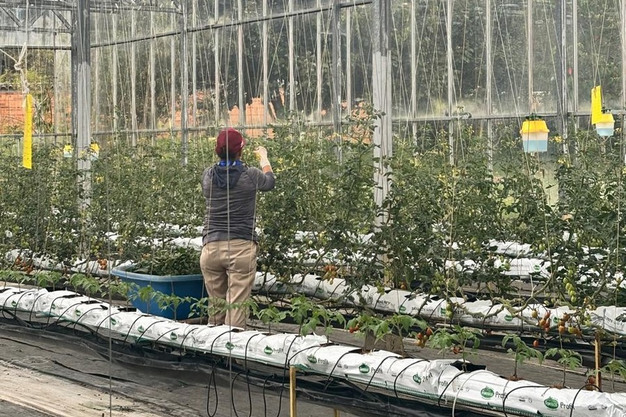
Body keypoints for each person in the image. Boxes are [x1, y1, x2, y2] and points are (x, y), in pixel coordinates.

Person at [199, 128, 275, 328]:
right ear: (240, 151)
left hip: (211, 247)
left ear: (217, 150)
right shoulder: (250, 175)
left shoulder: (208, 176)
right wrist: (264, 158)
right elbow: (269, 182)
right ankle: (232, 345)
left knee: (216, 308)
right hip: (241, 247)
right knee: (236, 309)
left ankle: (212, 344)